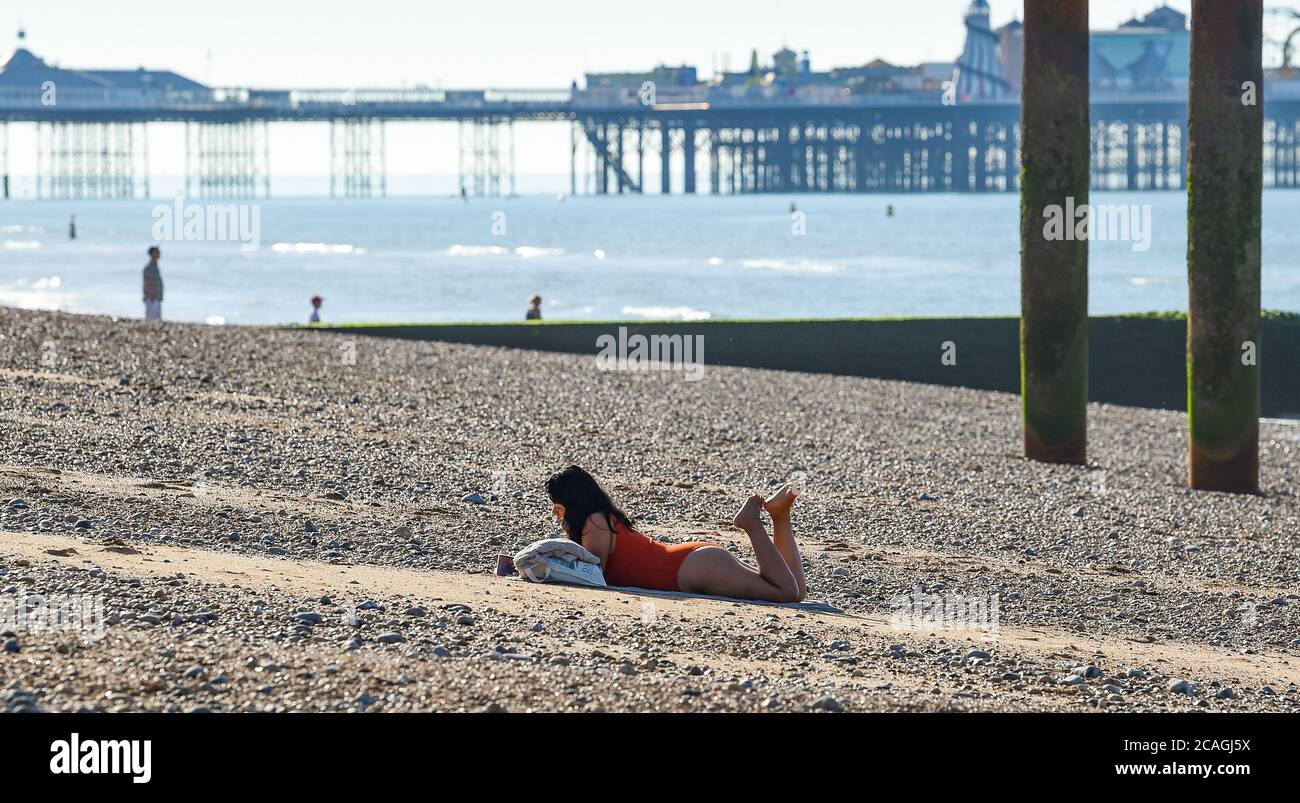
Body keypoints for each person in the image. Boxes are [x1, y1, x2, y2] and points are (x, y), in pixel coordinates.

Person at [545, 466, 806, 602]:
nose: (557, 515)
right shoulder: (603, 517)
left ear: (572, 502)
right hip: (696, 562)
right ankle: (779, 516)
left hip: (692, 569)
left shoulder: (594, 523)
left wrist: (545, 566)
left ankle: (751, 523)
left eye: (558, 507)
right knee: (795, 591)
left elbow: (591, 575)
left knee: (784, 592)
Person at [142, 246, 163, 320]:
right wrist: (151, 297)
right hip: (152, 298)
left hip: (155, 298)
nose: (159, 254)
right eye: (157, 252)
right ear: (153, 254)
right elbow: (147, 282)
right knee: (152, 320)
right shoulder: (149, 267)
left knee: (156, 319)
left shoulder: (155, 266)